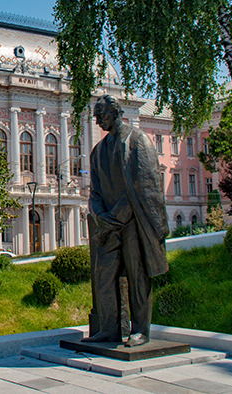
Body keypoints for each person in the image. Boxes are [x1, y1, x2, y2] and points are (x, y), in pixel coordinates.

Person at [83, 95, 169, 347]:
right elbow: (95, 191)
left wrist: (118, 215)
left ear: (116, 112)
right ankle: (109, 329)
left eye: (102, 115)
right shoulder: (98, 150)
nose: (98, 120)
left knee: (137, 275)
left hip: (133, 223)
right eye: (96, 115)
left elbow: (146, 185)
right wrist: (100, 215)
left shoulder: (137, 140)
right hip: (108, 226)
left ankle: (140, 330)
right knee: (103, 274)